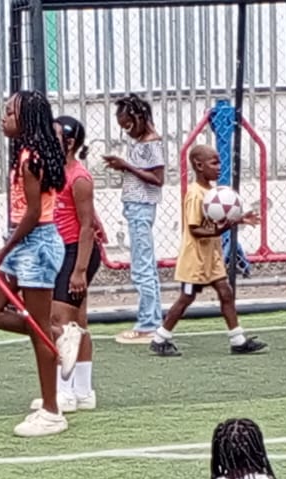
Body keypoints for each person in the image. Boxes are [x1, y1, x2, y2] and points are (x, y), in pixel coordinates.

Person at [0, 91, 69, 438]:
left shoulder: (32, 158)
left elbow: (32, 214)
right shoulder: (28, 153)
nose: (4, 118)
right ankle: (60, 335)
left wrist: (3, 249)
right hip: (24, 242)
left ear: (26, 120)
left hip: (35, 244)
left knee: (38, 329)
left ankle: (51, 410)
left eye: (10, 113)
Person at [150, 144, 266, 359]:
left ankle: (238, 340)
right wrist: (220, 229)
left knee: (226, 292)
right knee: (186, 297)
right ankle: (160, 338)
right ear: (199, 165)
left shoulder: (212, 194)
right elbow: (195, 229)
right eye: (214, 163)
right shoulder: (195, 194)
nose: (219, 167)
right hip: (194, 259)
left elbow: (216, 221)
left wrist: (239, 219)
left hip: (212, 257)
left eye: (219, 162)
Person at [45, 115, 102, 412]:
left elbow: (86, 226)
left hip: (75, 251)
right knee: (77, 323)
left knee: (60, 322)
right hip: (62, 250)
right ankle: (83, 390)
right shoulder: (55, 172)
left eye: (54, 134)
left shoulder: (79, 178)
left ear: (69, 143)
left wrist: (79, 270)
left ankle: (64, 392)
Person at [102, 93, 165, 344]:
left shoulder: (151, 143)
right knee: (144, 266)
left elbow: (158, 179)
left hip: (142, 206)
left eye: (128, 125)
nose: (127, 132)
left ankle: (148, 324)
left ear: (140, 118)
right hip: (136, 206)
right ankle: (152, 320)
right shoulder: (141, 142)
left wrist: (127, 166)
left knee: (142, 268)